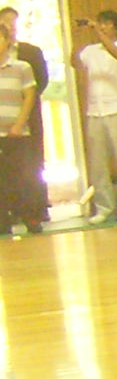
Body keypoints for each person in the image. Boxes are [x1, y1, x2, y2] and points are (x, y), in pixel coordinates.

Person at [76, 10, 117, 223]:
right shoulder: (90, 50)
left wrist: (98, 32)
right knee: (98, 164)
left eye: (106, 24)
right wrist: (77, 37)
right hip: (95, 111)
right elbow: (74, 61)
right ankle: (104, 207)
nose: (102, 27)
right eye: (100, 23)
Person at [0, 22, 36, 233]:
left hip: (17, 133)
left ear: (7, 41)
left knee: (22, 176)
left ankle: (31, 217)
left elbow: (29, 97)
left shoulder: (22, 67)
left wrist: (19, 124)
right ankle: (3, 222)